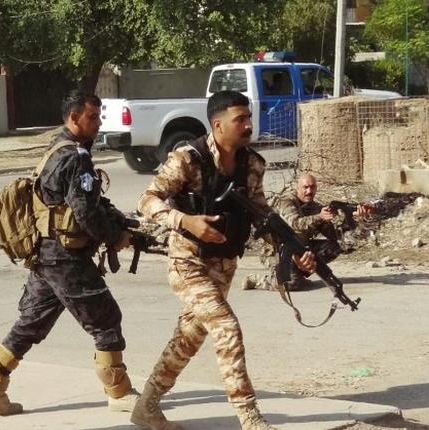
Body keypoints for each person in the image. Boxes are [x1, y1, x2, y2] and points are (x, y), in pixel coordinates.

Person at [131, 90, 316, 430]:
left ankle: (147, 405)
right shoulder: (188, 158)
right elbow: (147, 199)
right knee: (227, 328)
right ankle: (249, 415)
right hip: (187, 262)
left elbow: (262, 216)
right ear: (217, 125)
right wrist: (185, 221)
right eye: (240, 119)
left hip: (225, 264)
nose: (248, 125)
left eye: (249, 118)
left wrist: (294, 253)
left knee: (188, 339)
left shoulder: (253, 165)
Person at [0, 92, 140, 416]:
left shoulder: (55, 149)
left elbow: (76, 202)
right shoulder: (76, 157)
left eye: (98, 116)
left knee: (32, 322)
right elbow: (85, 212)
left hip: (46, 253)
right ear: (74, 118)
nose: (98, 123)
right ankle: (119, 392)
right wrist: (115, 236)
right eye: (92, 117)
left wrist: (118, 218)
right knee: (106, 319)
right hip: (65, 257)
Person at [243, 173, 373, 291]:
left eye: (312, 187)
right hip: (276, 250)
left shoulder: (315, 207)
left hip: (300, 247)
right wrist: (320, 217)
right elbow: (295, 224)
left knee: (336, 246)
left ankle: (299, 273)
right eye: (305, 187)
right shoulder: (286, 201)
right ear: (298, 188)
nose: (309, 191)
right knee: (290, 283)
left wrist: (356, 218)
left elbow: (338, 237)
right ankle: (258, 281)